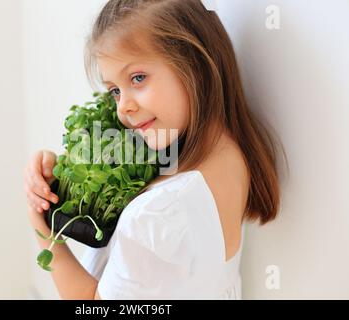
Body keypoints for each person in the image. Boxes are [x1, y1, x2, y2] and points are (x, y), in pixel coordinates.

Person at [24, 0, 286, 300]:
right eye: (115, 90)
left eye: (138, 78)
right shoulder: (227, 154)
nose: (123, 107)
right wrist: (63, 172)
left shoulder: (157, 215)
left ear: (194, 66)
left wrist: (39, 219)